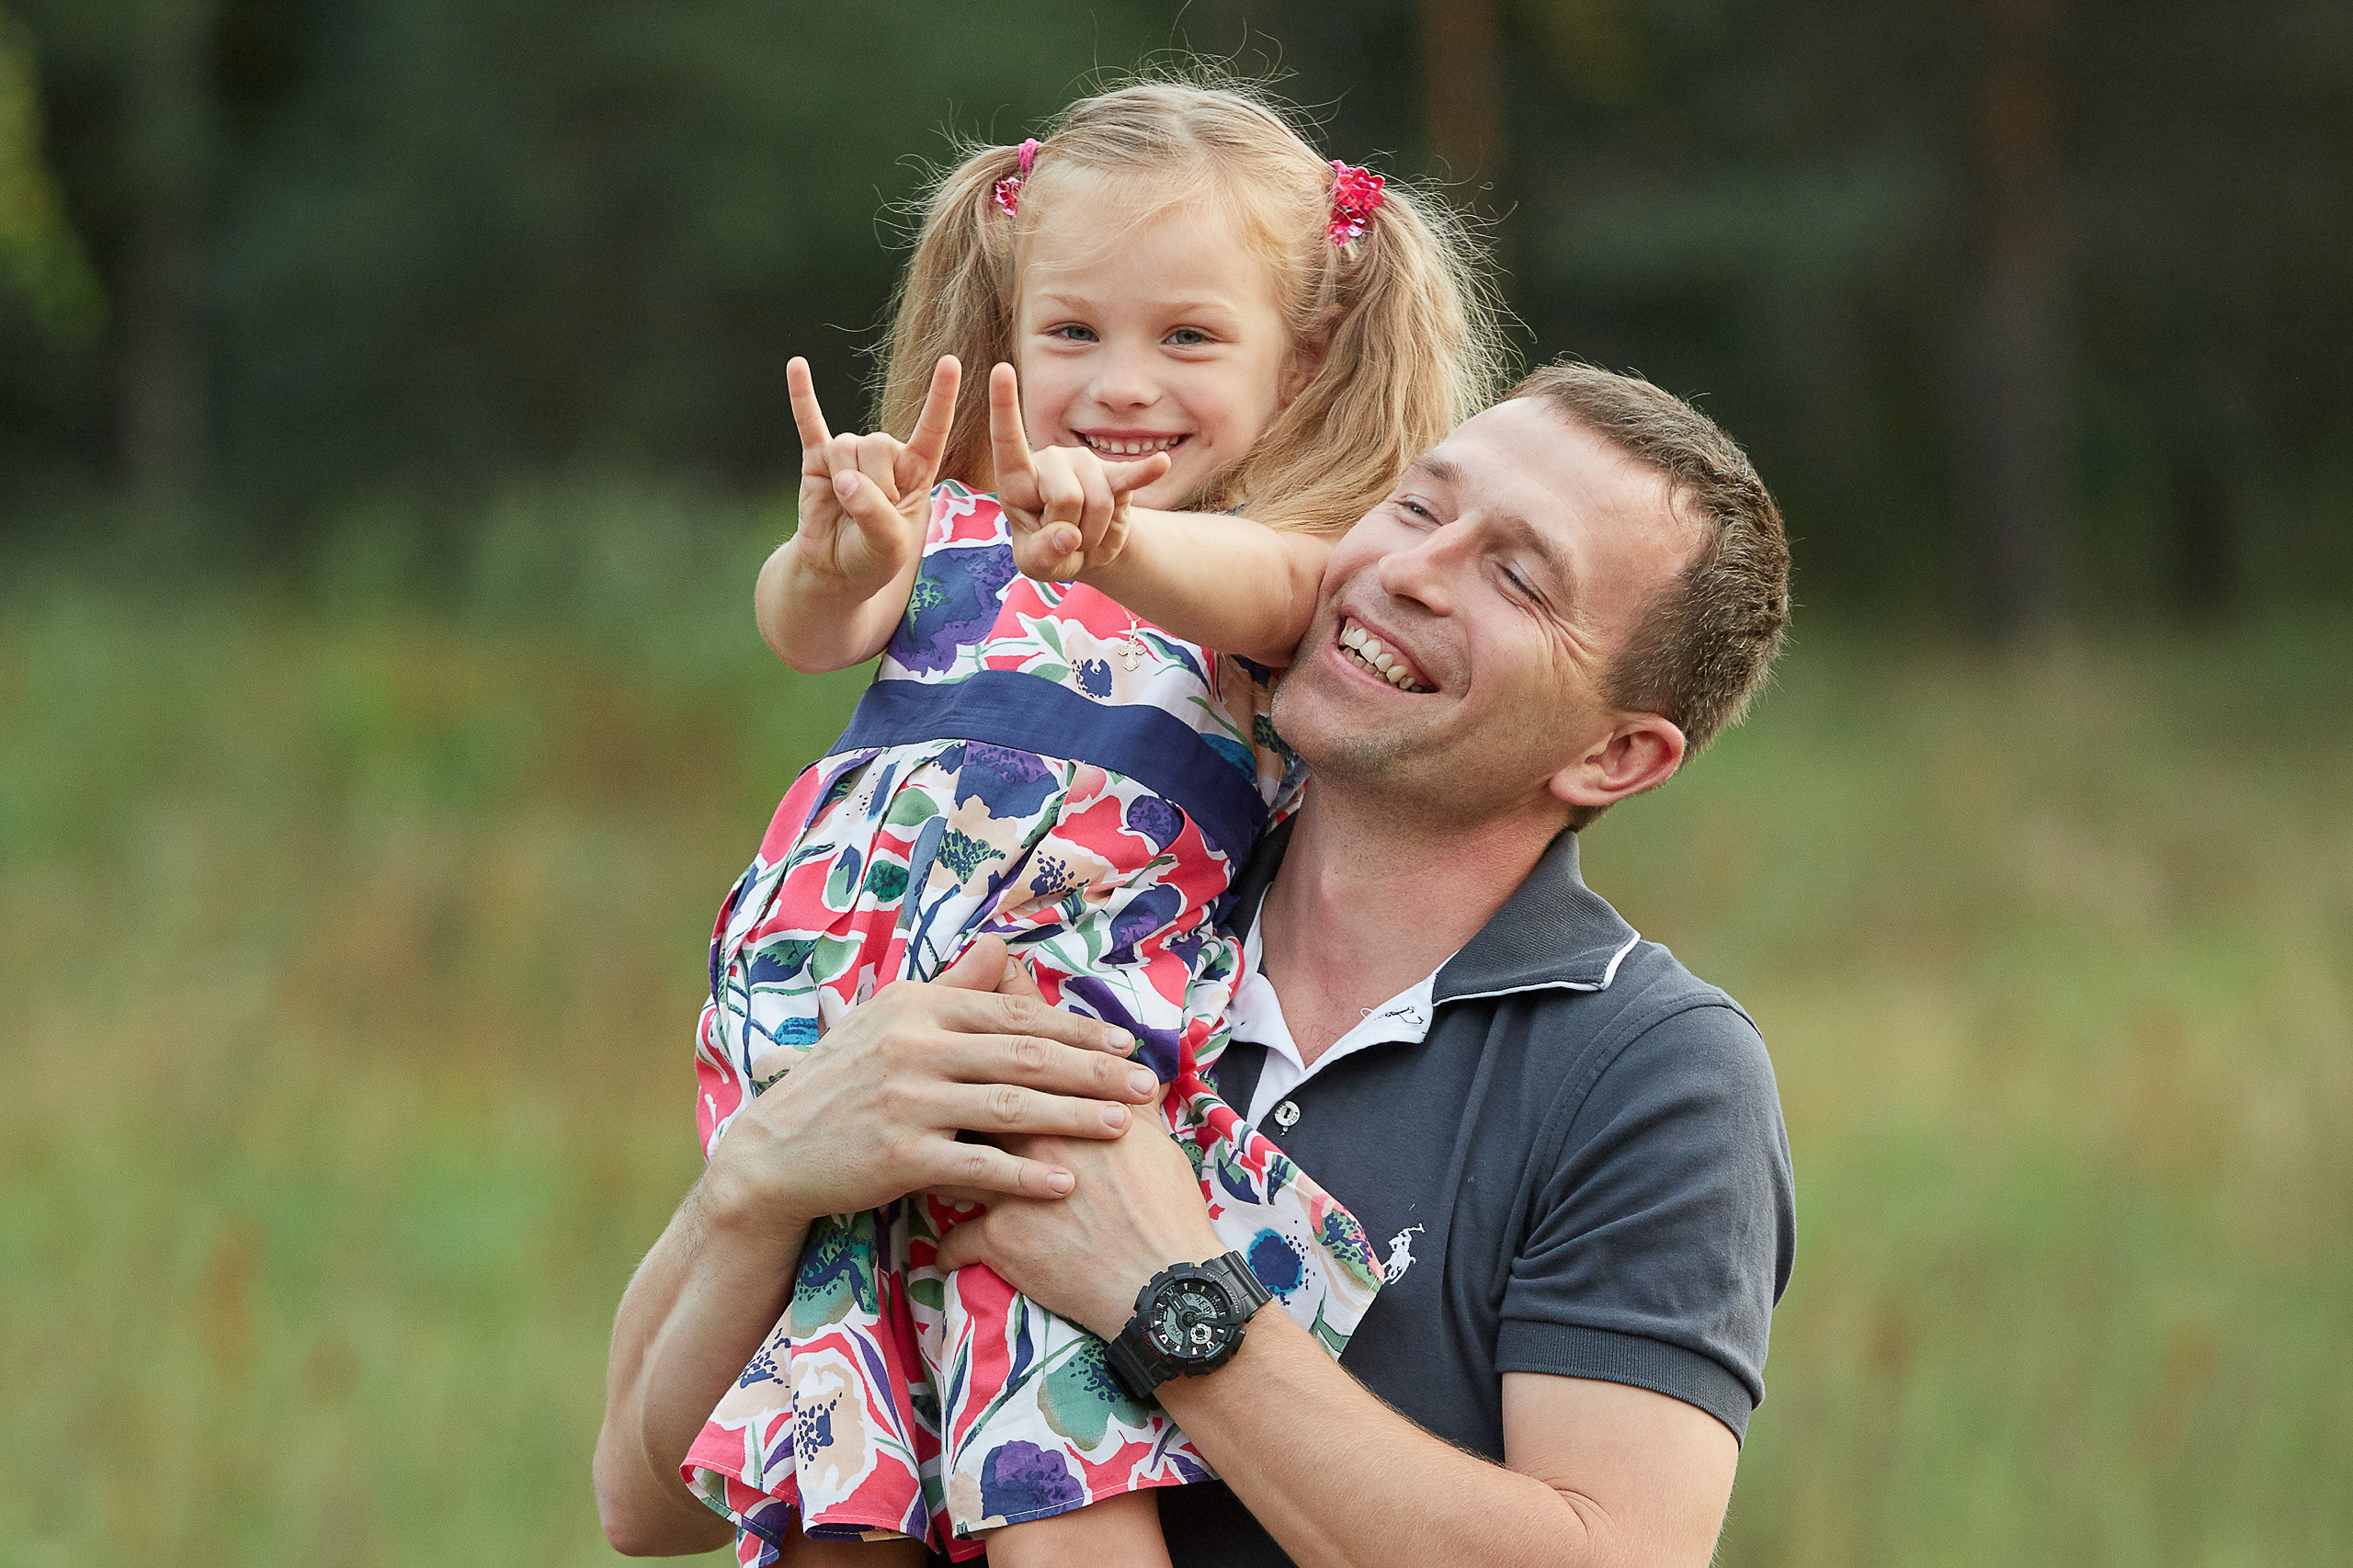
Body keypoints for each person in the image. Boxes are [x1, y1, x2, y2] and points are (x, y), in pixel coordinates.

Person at [598, 361, 1796, 1566]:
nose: (1410, 571)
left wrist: (1173, 1292)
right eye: (1422, 508)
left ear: (1617, 758)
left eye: (1518, 577)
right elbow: (642, 1507)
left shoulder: (1654, 1070)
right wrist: (761, 1173)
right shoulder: (1095, 910)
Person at [677, 79, 1506, 1566]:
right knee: (835, 1460)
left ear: (1303, 355)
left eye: (1189, 338)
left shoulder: (1286, 571)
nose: (1123, 384)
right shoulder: (950, 530)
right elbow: (809, 632)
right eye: (1074, 334)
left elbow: (1252, 593)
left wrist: (1119, 542)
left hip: (1058, 1083)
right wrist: (837, 549)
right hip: (840, 1044)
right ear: (1008, 331)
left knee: (1056, 1455)